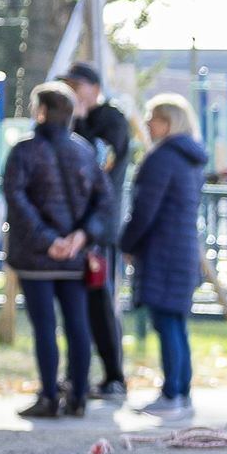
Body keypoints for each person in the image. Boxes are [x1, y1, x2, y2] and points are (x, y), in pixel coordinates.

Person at [3, 80, 108, 419]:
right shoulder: (84, 151)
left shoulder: (24, 151)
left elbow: (16, 200)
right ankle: (78, 395)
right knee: (78, 325)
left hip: (36, 257)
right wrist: (81, 237)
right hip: (75, 257)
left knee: (45, 327)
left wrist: (49, 240)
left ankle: (49, 396)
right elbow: (103, 200)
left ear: (42, 111)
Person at [121, 94, 209, 420]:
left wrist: (127, 243)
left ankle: (172, 392)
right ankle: (181, 391)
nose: (147, 124)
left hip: (162, 250)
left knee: (167, 322)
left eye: (152, 119)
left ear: (168, 122)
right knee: (176, 322)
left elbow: (145, 209)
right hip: (182, 248)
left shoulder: (162, 158)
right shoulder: (190, 159)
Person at [66, 63, 134, 401]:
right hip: (71, 228)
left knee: (101, 303)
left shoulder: (111, 120)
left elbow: (99, 163)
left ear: (94, 88)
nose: (73, 93)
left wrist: (78, 119)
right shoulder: (70, 121)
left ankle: (113, 375)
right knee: (73, 307)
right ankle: (76, 375)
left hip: (99, 230)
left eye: (77, 86)